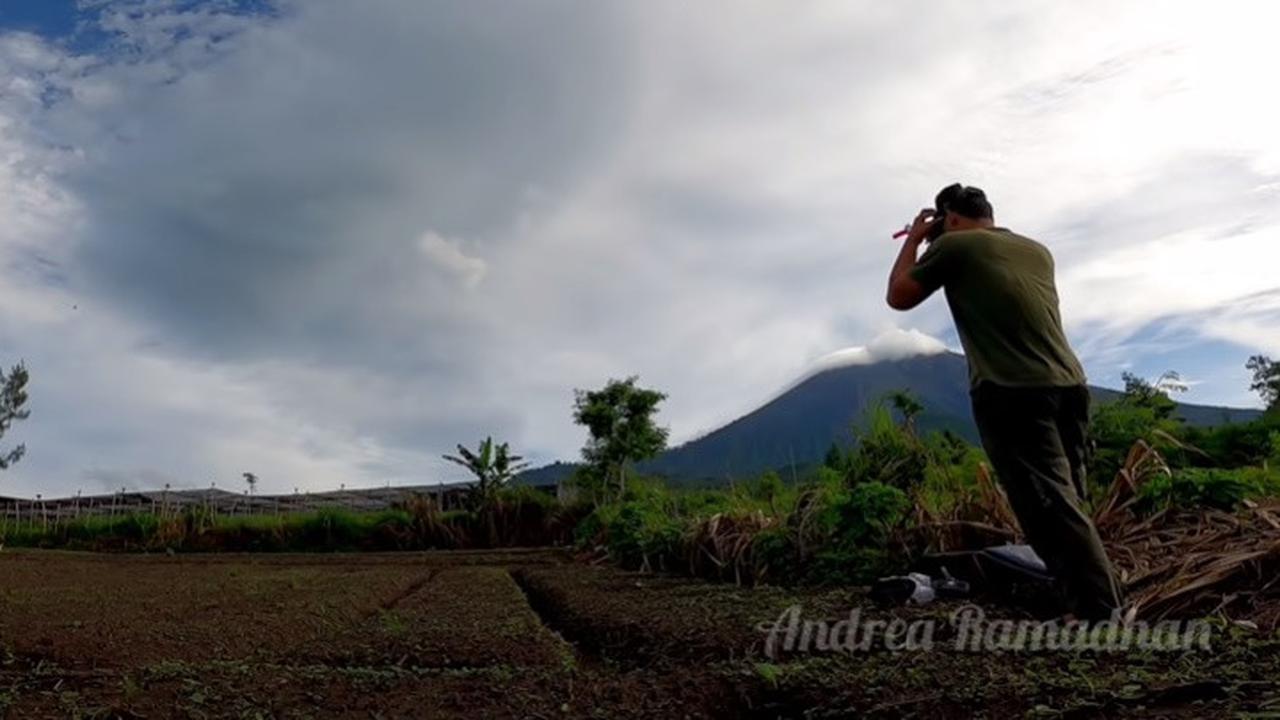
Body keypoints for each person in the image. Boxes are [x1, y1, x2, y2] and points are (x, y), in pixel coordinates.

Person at [885, 183, 1122, 621]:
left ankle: (1100, 613)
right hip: (1070, 384)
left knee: (1048, 507)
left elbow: (899, 295)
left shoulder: (957, 247)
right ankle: (1086, 598)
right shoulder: (1036, 250)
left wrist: (917, 238)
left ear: (950, 218)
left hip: (1012, 390)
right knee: (1069, 501)